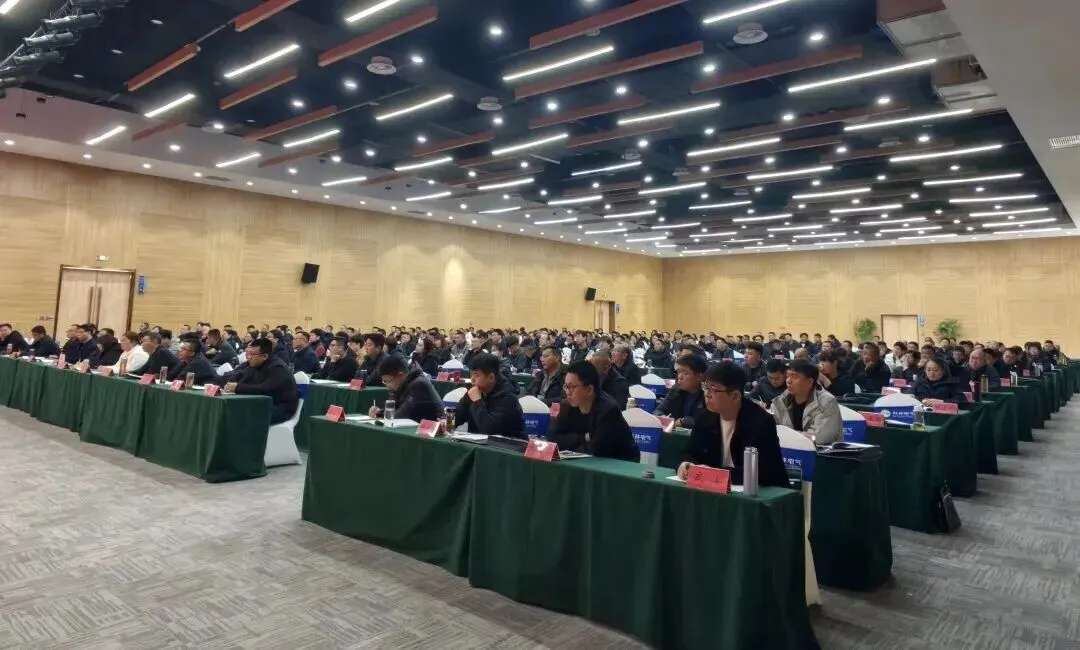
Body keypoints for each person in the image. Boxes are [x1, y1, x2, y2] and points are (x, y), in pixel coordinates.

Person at [676, 363, 789, 487]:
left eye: (713, 390)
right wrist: (686, 464)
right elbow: (689, 452)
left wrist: (713, 473)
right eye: (705, 387)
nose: (707, 394)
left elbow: (762, 472)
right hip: (716, 487)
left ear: (735, 396)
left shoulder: (760, 421)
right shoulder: (705, 417)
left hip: (759, 491)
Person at [549, 360, 640, 461]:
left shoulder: (609, 410)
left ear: (589, 390)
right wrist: (583, 438)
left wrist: (569, 443)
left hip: (621, 463)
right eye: (566, 386)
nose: (567, 392)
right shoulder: (566, 406)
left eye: (572, 387)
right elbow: (553, 438)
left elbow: (596, 450)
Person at [223, 338, 298, 424]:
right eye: (248, 354)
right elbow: (243, 380)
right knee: (229, 410)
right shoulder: (256, 364)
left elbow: (265, 388)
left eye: (252, 355)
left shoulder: (277, 368)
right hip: (261, 403)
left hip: (279, 408)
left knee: (239, 415)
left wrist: (238, 387)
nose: (249, 357)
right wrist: (231, 385)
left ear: (265, 356)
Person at [769, 359, 843, 444]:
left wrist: (787, 436)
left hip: (821, 451)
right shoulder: (779, 402)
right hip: (788, 450)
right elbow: (771, 432)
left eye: (795, 376)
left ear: (809, 382)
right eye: (788, 376)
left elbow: (819, 438)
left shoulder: (827, 402)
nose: (788, 381)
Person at [454, 353, 524, 437]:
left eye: (476, 375)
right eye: (471, 374)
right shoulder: (477, 391)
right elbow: (457, 419)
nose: (472, 379)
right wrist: (466, 399)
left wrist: (477, 402)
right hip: (478, 442)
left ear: (491, 378)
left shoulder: (508, 397)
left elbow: (490, 429)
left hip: (509, 443)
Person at [368, 355, 444, 422]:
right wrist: (379, 412)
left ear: (400, 375)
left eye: (387, 381)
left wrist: (381, 414)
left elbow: (403, 415)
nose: (386, 385)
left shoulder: (419, 384)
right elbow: (396, 409)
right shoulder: (403, 384)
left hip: (431, 430)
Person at [655, 354, 708, 429]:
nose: (679, 377)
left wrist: (684, 421)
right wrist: (663, 417)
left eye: (685, 373)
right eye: (679, 372)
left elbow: (709, 420)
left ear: (699, 376)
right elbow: (658, 410)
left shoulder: (708, 393)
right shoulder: (676, 389)